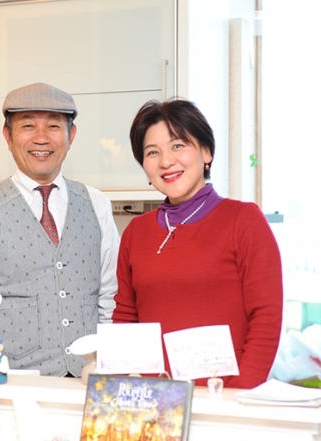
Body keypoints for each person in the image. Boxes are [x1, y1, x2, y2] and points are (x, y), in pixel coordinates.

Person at [0, 82, 120, 377]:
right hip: (13, 381)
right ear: (8, 136)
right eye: (28, 126)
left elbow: (110, 300)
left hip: (89, 379)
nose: (41, 138)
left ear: (71, 136)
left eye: (53, 126)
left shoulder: (98, 205)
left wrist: (108, 367)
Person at [112, 99, 283, 389]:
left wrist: (237, 396)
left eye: (178, 145)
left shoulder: (243, 220)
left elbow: (266, 319)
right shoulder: (136, 232)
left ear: (206, 152)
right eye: (152, 152)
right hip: (154, 399)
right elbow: (126, 319)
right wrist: (123, 390)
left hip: (222, 396)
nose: (166, 161)